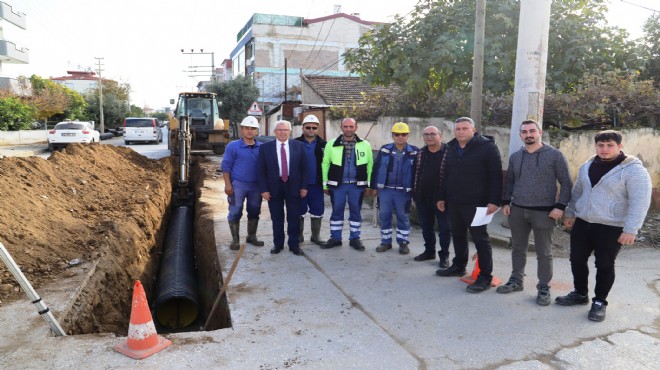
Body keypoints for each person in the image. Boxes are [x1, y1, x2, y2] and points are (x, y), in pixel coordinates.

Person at [556, 130, 651, 322]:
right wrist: (571, 213)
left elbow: (640, 201)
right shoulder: (587, 165)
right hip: (584, 222)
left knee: (605, 264)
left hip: (611, 226)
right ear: (596, 146)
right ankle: (580, 293)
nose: (605, 149)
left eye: (610, 145)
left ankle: (599, 302)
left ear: (619, 146)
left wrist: (631, 229)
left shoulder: (634, 170)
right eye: (601, 145)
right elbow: (578, 191)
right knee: (576, 259)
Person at [497, 120, 573, 306]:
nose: (528, 134)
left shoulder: (555, 155)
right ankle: (516, 281)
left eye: (532, 131)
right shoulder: (516, 156)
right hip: (518, 210)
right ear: (520, 135)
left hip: (544, 212)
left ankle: (544, 287)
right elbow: (510, 181)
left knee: (544, 252)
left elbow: (566, 182)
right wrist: (506, 201)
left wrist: (560, 206)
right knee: (518, 247)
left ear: (540, 132)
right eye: (524, 132)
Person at [436, 117, 502, 293]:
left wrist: (494, 201)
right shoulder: (450, 148)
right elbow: (445, 175)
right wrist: (442, 197)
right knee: (457, 235)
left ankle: (485, 277)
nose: (460, 132)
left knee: (480, 239)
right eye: (457, 129)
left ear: (473, 130)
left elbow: (496, 176)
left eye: (465, 128)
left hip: (478, 203)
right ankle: (458, 265)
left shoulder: (487, 147)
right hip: (455, 201)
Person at [321, 117, 374, 251]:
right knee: (336, 212)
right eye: (346, 126)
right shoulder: (331, 144)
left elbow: (370, 165)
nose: (348, 129)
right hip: (338, 185)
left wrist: (368, 185)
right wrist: (325, 184)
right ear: (341, 128)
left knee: (356, 212)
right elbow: (325, 164)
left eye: (351, 126)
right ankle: (335, 238)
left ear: (356, 128)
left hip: (357, 185)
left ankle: (355, 239)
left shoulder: (365, 144)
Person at [258, 120, 308, 256]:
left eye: (285, 130)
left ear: (290, 131)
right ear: (275, 132)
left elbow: (304, 168)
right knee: (277, 217)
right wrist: (263, 189)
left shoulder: (299, 146)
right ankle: (278, 244)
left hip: (294, 186)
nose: (283, 132)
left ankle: (294, 245)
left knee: (294, 217)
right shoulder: (265, 148)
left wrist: (304, 186)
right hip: (274, 187)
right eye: (280, 130)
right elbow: (261, 170)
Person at [371, 122, 419, 255]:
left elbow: (418, 172)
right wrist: (373, 186)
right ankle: (385, 242)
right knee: (384, 216)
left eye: (403, 134)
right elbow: (376, 168)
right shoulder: (385, 149)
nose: (400, 137)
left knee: (403, 216)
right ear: (392, 135)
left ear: (408, 135)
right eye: (397, 134)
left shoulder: (415, 152)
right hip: (386, 190)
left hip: (403, 192)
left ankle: (403, 242)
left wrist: (416, 191)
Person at [221, 116, 265, 250]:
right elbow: (226, 166)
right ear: (242, 130)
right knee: (235, 211)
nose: (249, 131)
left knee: (254, 211)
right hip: (238, 185)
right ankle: (235, 240)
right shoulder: (233, 146)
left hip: (256, 186)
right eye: (247, 128)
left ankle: (251, 236)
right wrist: (228, 184)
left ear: (257, 131)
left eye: (253, 129)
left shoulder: (262, 148)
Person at [412, 126, 452, 268]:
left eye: (432, 134)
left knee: (444, 229)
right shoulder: (421, 153)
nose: (429, 137)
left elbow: (452, 177)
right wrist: (415, 194)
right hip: (423, 197)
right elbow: (414, 174)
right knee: (426, 227)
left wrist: (445, 197)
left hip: (442, 200)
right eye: (426, 134)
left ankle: (444, 256)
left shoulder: (449, 152)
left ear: (440, 135)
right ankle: (429, 251)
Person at [295, 115, 327, 246]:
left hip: (317, 184)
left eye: (314, 128)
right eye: (308, 127)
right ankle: (299, 236)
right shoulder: (295, 143)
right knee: (299, 210)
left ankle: (315, 236)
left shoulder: (324, 145)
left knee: (317, 210)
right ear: (303, 128)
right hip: (300, 184)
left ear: (318, 129)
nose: (311, 130)